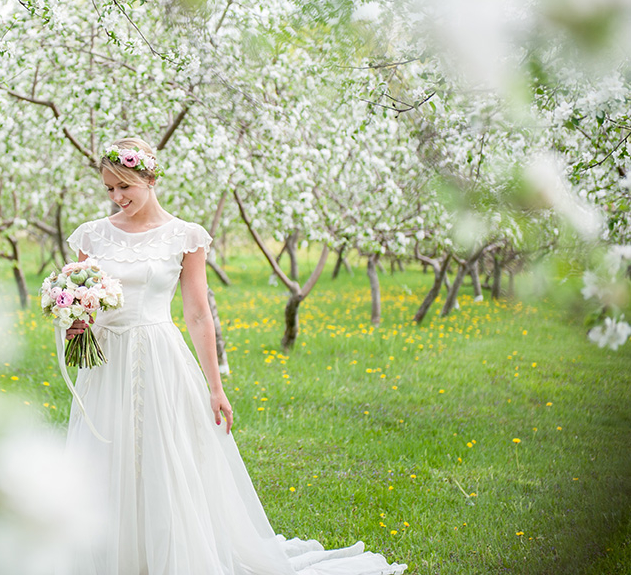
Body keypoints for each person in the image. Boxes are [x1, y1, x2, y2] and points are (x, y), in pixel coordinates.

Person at [62, 137, 407, 575]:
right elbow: (84, 298)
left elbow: (198, 313)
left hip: (159, 359)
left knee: (164, 459)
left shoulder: (184, 236)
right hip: (106, 363)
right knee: (105, 455)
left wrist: (216, 386)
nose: (116, 198)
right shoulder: (92, 234)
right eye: (109, 189)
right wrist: (77, 324)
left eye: (124, 187)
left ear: (148, 178)